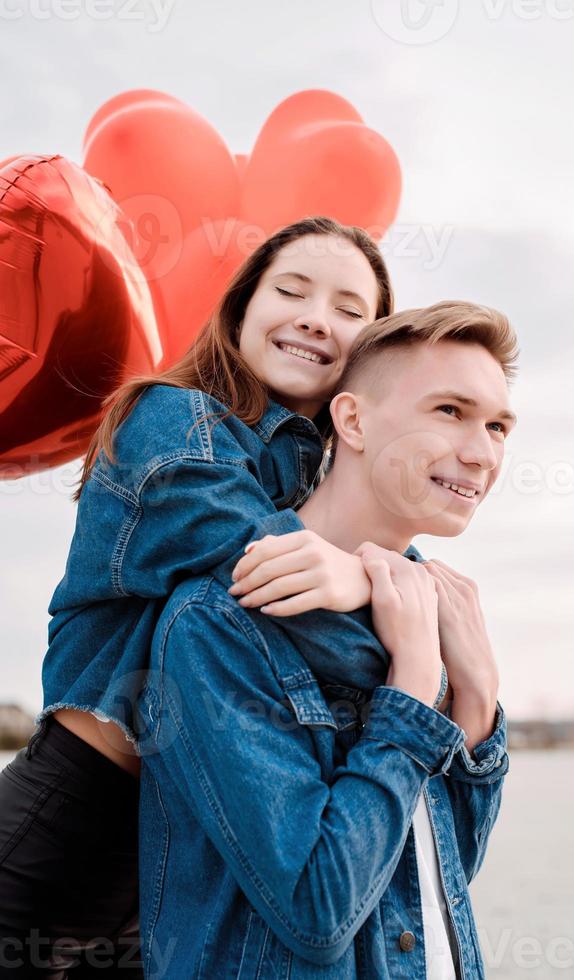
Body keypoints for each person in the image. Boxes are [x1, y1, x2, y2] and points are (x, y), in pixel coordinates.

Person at [0, 216, 396, 978]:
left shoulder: (327, 475)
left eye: (351, 309)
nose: (318, 315)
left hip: (179, 851)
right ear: (242, 308)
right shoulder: (172, 421)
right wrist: (382, 598)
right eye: (291, 290)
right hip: (66, 826)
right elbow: (274, 592)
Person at [137, 300, 519, 979]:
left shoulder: (434, 615)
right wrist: (411, 685)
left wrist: (478, 698)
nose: (482, 452)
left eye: (497, 425)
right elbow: (319, 911)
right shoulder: (223, 621)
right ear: (352, 420)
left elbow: (435, 877)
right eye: (449, 411)